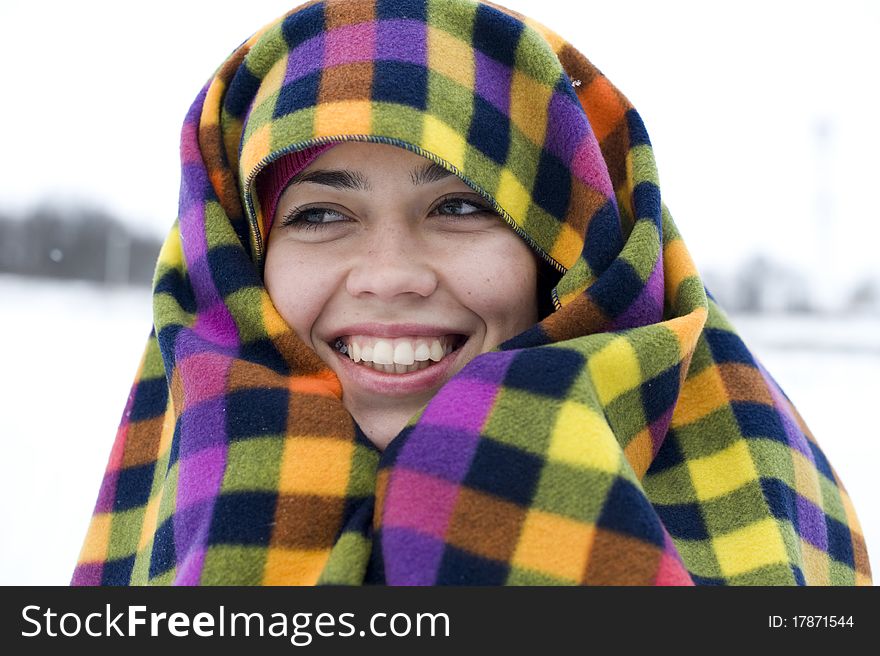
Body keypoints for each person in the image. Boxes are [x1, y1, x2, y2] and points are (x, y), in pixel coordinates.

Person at [72, 0, 870, 586]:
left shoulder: (762, 521)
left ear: (562, 253)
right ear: (243, 262)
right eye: (320, 214)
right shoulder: (171, 519)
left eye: (460, 207)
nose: (390, 274)